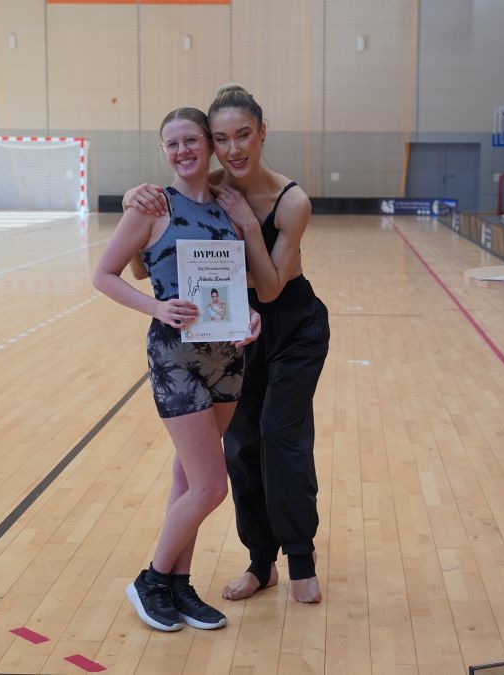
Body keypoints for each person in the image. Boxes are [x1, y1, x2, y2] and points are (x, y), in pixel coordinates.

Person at [124, 84, 330, 604]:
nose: (234, 149)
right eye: (222, 139)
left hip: (292, 325)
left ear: (262, 133)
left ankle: (301, 559)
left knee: (281, 437)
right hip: (230, 327)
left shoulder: (292, 202)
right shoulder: (208, 188)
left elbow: (271, 288)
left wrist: (248, 227)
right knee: (239, 448)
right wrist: (135, 199)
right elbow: (153, 243)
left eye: (244, 135)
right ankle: (260, 563)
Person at [92, 107, 260, 632]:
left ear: (208, 144)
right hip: (175, 358)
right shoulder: (151, 205)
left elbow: (234, 284)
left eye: (191, 140)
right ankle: (152, 579)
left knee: (188, 477)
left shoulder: (228, 209)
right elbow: (104, 275)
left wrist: (248, 314)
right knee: (211, 486)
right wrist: (157, 308)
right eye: (172, 144)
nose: (182, 151)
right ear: (164, 152)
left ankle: (179, 587)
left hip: (227, 358)